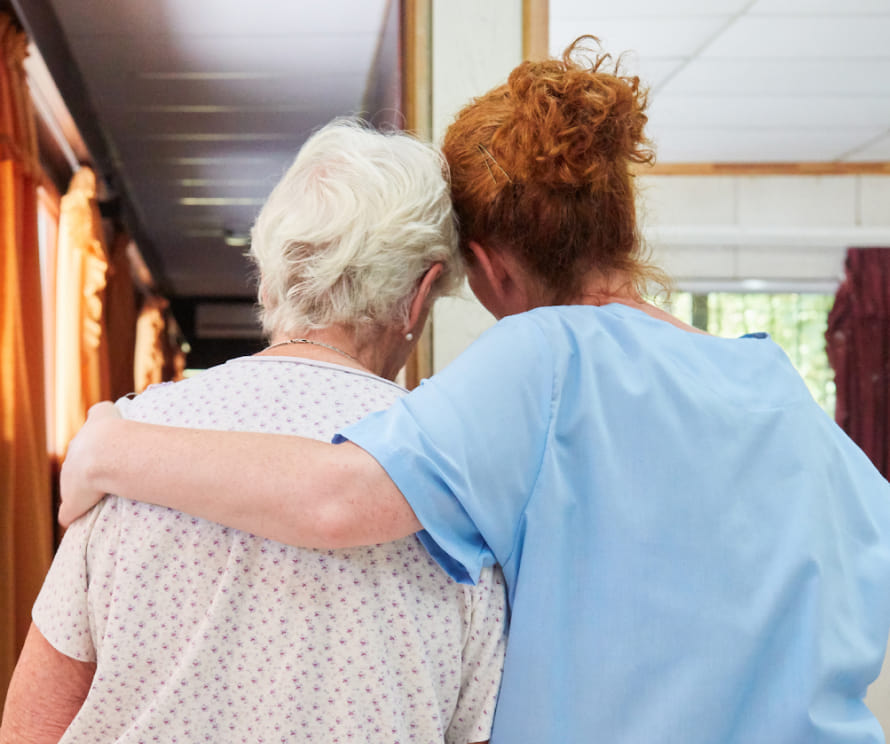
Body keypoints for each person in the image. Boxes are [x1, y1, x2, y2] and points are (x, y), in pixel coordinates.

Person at [53, 38, 890, 743]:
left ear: (487, 267)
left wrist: (112, 445)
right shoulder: (770, 380)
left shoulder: (546, 356)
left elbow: (335, 500)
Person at [1, 119, 508, 744]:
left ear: (268, 277)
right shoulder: (453, 486)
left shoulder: (127, 445)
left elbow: (33, 725)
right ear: (419, 295)